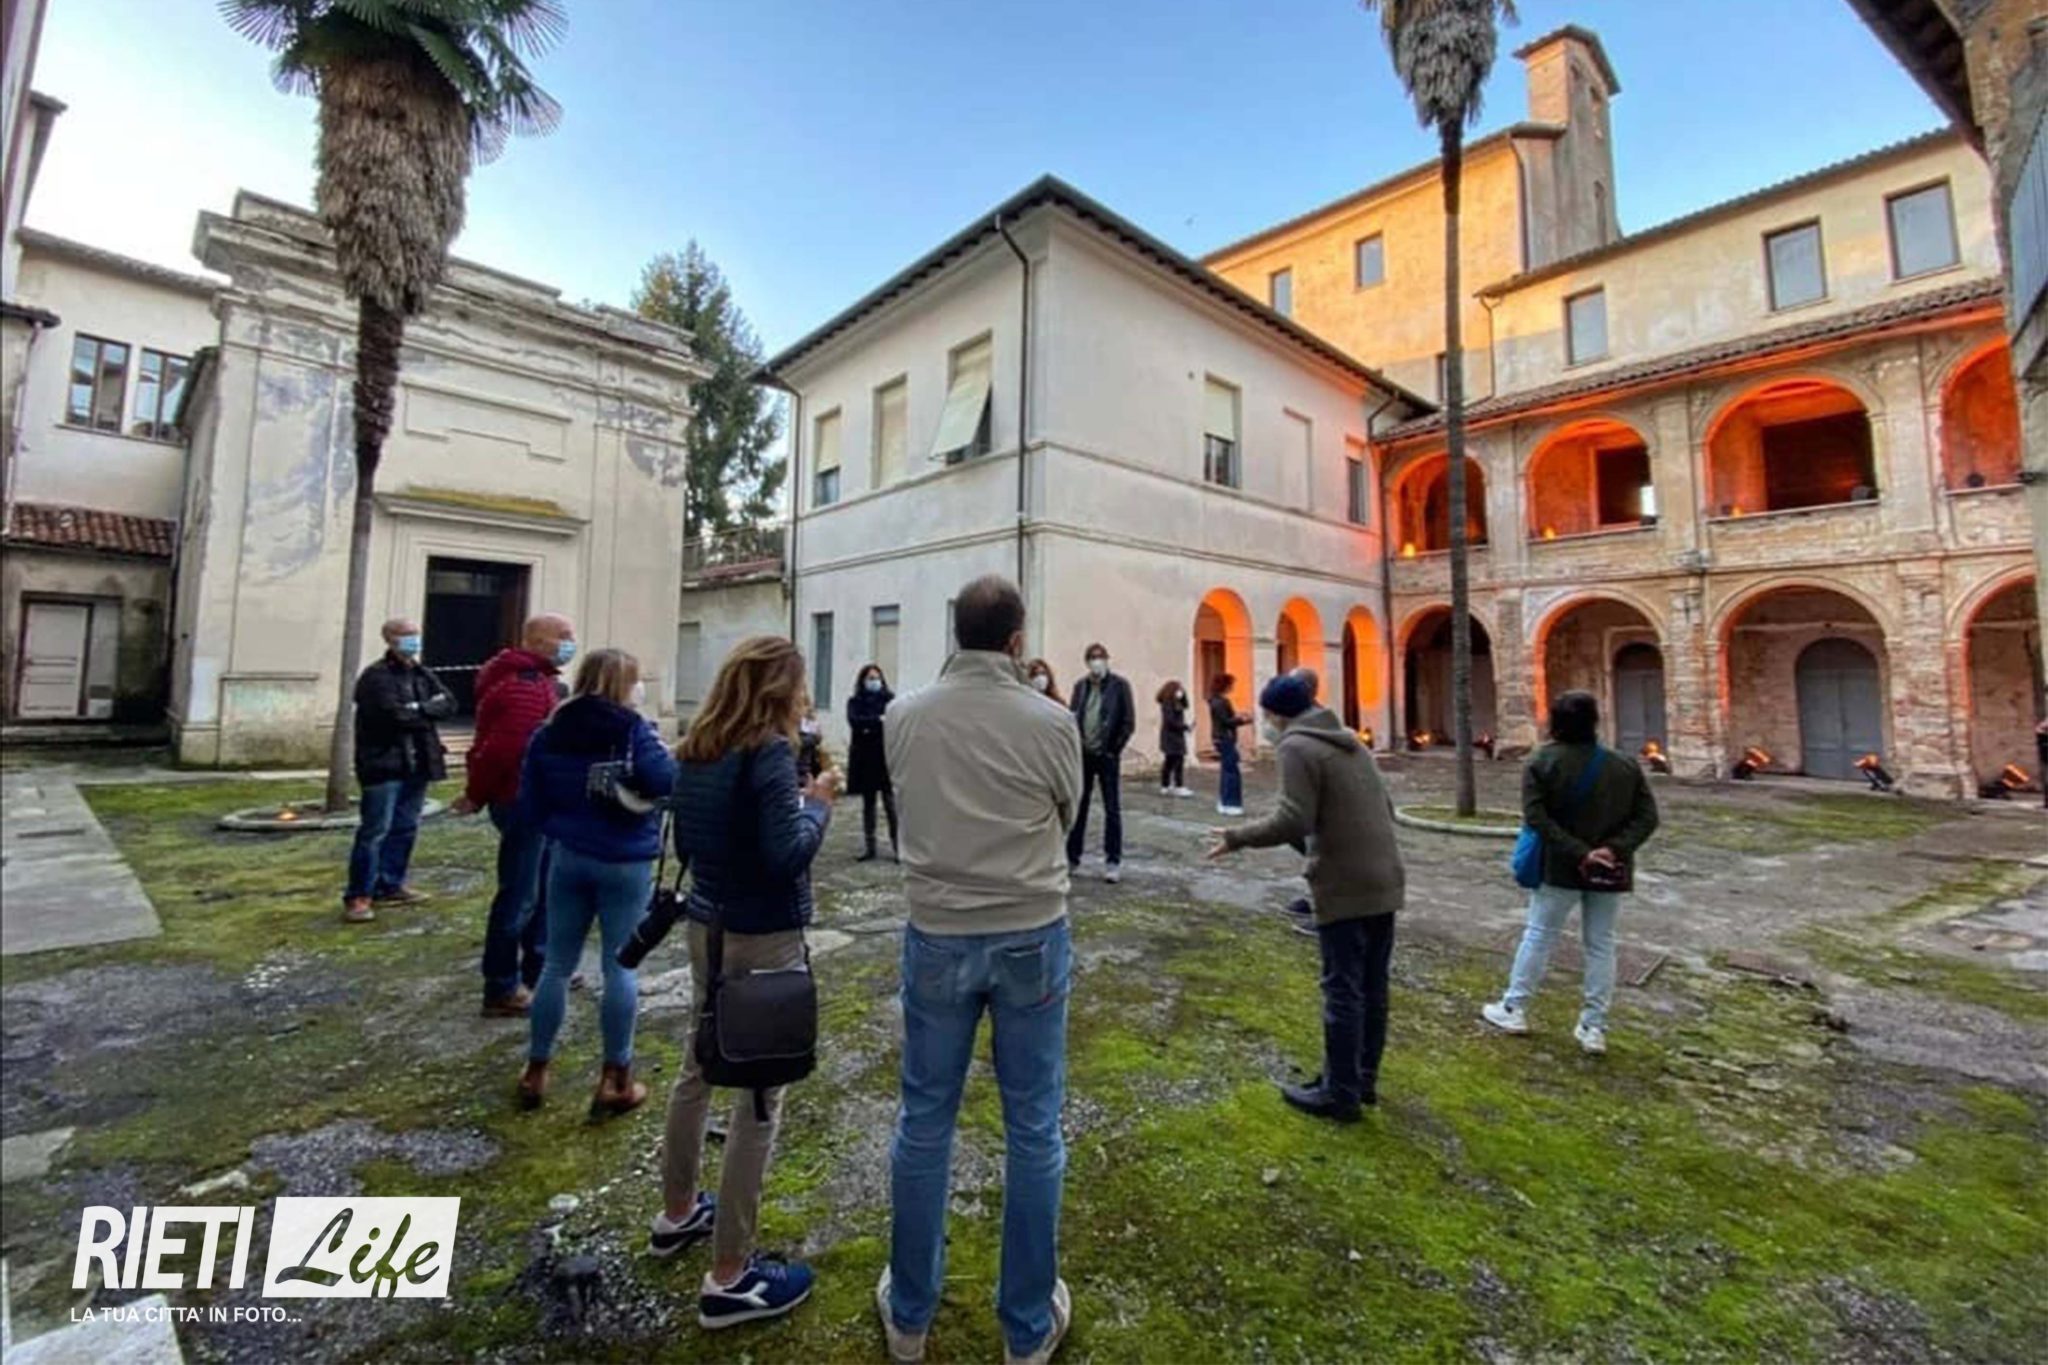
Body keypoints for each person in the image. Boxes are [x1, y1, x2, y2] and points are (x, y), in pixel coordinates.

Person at [879, 575, 1084, 1365]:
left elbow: (906, 803)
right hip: (1031, 926)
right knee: (1033, 1122)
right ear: (1017, 640)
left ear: (955, 632)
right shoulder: (1052, 720)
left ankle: (909, 1315)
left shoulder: (904, 714)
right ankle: (1026, 1326)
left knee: (925, 1118)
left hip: (938, 928)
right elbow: (1066, 813)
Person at [652, 636, 839, 1329]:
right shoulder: (768, 752)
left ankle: (677, 1211)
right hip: (764, 933)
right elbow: (787, 853)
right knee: (760, 1095)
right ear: (779, 690)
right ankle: (731, 1273)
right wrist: (818, 804)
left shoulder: (698, 748)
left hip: (709, 923)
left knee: (698, 1066)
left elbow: (690, 844)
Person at [1207, 672, 1405, 1122]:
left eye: (1267, 716)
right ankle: (1360, 1079)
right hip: (1384, 877)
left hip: (1344, 883)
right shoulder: (1348, 740)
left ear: (1278, 714)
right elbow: (1382, 808)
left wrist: (1238, 837)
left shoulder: (1297, 746)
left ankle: (1340, 1094)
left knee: (1342, 988)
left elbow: (1293, 818)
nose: (1266, 724)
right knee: (1372, 987)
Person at [515, 649, 677, 1115]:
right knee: (620, 966)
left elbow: (531, 801)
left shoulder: (550, 730)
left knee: (556, 965)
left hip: (569, 855)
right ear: (623, 684)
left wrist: (563, 827)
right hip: (625, 858)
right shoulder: (632, 729)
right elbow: (666, 781)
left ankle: (536, 1069)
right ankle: (615, 1077)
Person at [1482, 689, 1660, 1056]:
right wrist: (1612, 850)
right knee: (1601, 943)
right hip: (1609, 869)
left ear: (1555, 721)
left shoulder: (1542, 762)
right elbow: (1647, 818)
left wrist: (1580, 852)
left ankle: (1514, 1007)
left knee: (1539, 935)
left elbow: (1536, 817)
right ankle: (1594, 1026)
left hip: (1560, 866)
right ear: (1594, 721)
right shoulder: (1624, 765)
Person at [456, 612, 577, 1016]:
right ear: (538, 641)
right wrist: (476, 794)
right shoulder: (524, 686)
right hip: (523, 801)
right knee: (521, 896)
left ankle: (540, 970)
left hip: (538, 802)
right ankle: (502, 985)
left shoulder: (537, 680)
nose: (570, 642)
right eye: (563, 636)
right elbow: (505, 750)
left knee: (541, 890)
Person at [342, 617, 455, 924]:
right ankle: (359, 895)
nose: (413, 639)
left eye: (415, 633)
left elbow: (449, 704)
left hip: (418, 763)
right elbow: (392, 716)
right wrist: (424, 710)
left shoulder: (421, 673)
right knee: (374, 832)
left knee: (405, 827)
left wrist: (417, 709)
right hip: (383, 765)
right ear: (389, 638)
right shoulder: (376, 677)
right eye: (406, 634)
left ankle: (390, 884)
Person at [1065, 643, 1134, 882]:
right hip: (1084, 755)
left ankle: (1112, 861)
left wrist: (1115, 749)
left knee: (1112, 809)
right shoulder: (1080, 687)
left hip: (1107, 756)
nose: (1097, 661)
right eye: (1093, 658)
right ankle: (1072, 857)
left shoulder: (1119, 686)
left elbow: (1128, 721)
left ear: (1106, 659)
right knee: (1079, 807)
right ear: (1087, 662)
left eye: (1100, 657)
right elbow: (1073, 716)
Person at [847, 663, 900, 861]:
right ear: (863, 680)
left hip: (884, 756)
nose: (874, 681)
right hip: (864, 757)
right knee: (868, 804)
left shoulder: (890, 699)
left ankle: (898, 847)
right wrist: (878, 721)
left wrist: (869, 725)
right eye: (870, 678)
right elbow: (855, 722)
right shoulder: (855, 701)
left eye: (876, 678)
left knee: (890, 804)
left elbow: (893, 722)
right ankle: (870, 848)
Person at [1206, 673, 1250, 817]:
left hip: (1220, 738)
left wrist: (1237, 717)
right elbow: (1226, 721)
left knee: (1227, 770)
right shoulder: (1221, 702)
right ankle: (1231, 803)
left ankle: (1224, 802)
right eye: (1230, 685)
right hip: (1226, 738)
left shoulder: (1214, 701)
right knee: (1232, 772)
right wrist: (1243, 720)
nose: (1232, 687)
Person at [1156, 680, 1194, 797]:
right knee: (1176, 761)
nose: (1181, 691)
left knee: (1171, 761)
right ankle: (1178, 786)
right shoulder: (1168, 704)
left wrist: (1183, 696)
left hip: (1174, 735)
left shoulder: (1176, 703)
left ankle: (1166, 785)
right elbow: (1170, 721)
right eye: (1179, 689)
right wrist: (1185, 727)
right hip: (1171, 736)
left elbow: (1186, 705)